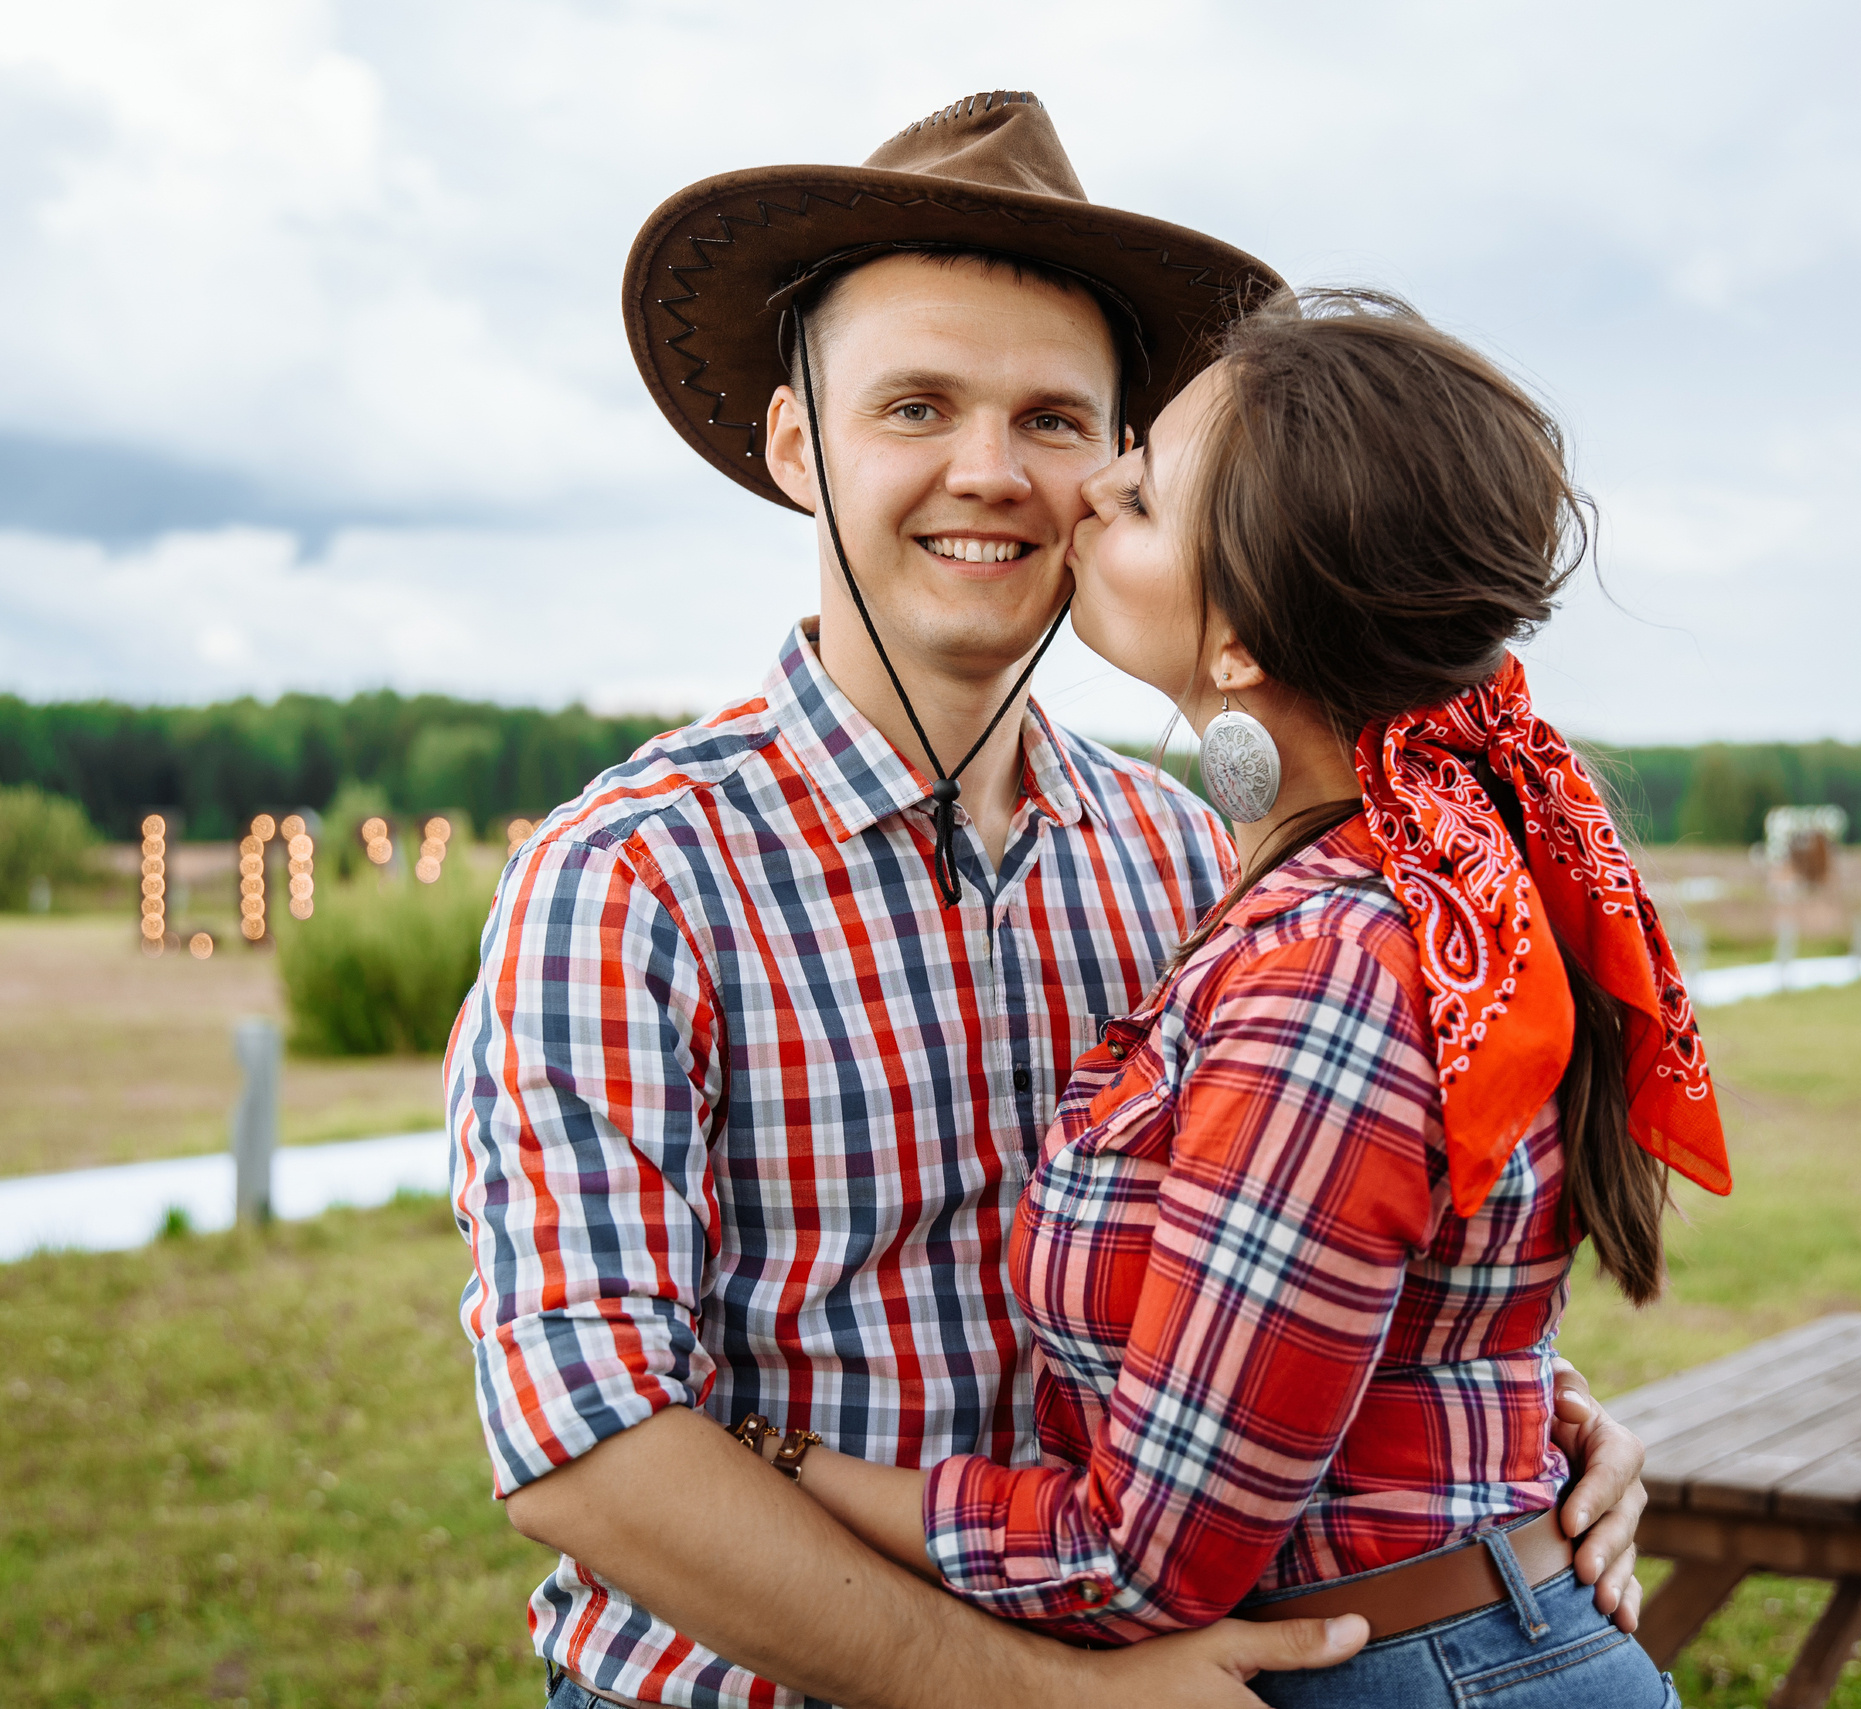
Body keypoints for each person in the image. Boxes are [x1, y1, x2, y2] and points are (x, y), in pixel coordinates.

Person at [447, 94, 1652, 1709]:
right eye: (918, 406)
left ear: (1120, 472)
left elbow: (1277, 1249)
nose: (992, 474)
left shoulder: (1186, 853)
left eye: (1056, 420)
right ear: (797, 443)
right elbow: (585, 1445)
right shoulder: (629, 878)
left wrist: (1513, 1412)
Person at [778, 288, 1729, 1703]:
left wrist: (792, 1468)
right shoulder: (1357, 876)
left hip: (1388, 1669)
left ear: (1239, 646)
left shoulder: (1332, 965)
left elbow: (1138, 1558)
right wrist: (1522, 1413)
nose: (1085, 484)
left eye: (1142, 490)